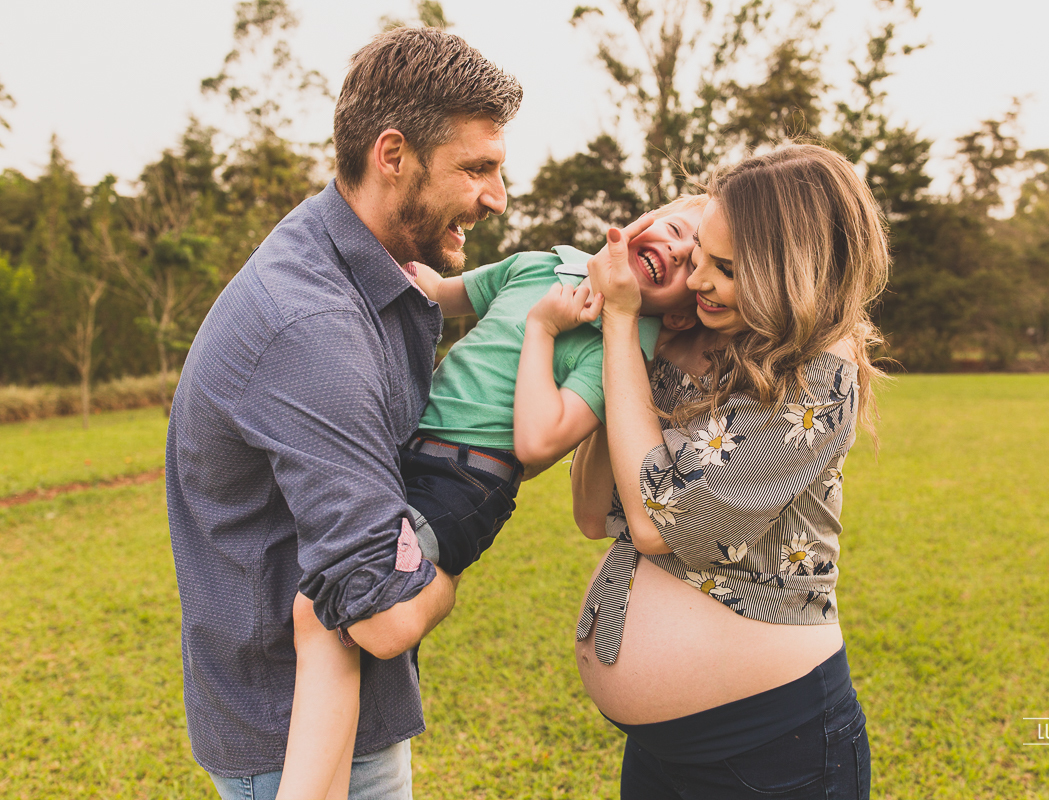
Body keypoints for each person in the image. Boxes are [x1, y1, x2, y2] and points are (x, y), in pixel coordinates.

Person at [165, 27, 522, 800]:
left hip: (342, 705)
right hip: (295, 733)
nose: (497, 194)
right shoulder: (312, 328)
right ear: (391, 155)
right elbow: (382, 619)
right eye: (478, 167)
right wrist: (469, 518)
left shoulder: (368, 263)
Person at [279, 195, 706, 799]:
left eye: (691, 263)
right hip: (405, 455)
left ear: (682, 318)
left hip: (467, 482)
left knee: (326, 613)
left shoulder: (625, 342)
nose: (676, 248)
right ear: (642, 221)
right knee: (334, 610)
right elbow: (437, 291)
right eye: (675, 227)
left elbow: (537, 443)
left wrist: (544, 328)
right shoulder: (539, 263)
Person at [574, 143, 889, 799]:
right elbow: (590, 511)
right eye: (699, 260)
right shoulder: (709, 349)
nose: (697, 281)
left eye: (724, 268)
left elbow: (657, 521)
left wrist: (624, 324)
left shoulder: (815, 381)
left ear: (790, 272)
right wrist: (643, 342)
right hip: (672, 752)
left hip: (771, 753)